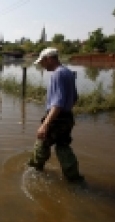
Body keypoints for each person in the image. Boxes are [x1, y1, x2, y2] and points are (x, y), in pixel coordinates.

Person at [28, 47, 84, 183]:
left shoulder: (57, 74)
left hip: (56, 118)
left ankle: (34, 173)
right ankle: (74, 179)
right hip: (67, 117)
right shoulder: (68, 73)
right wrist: (65, 115)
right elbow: (75, 98)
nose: (41, 64)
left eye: (42, 61)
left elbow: (57, 103)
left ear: (49, 59)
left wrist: (45, 124)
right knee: (63, 146)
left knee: (41, 144)